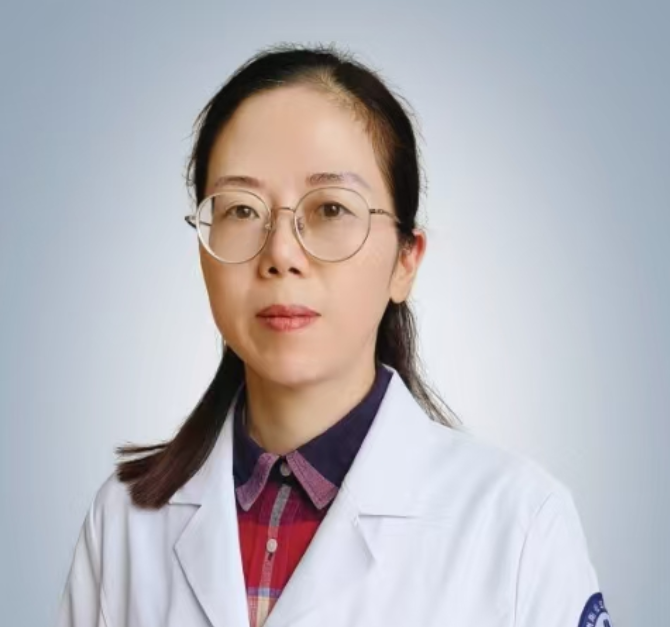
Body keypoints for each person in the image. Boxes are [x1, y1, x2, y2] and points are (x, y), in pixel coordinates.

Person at [57, 44, 613, 627]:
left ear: (406, 260)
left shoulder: (519, 525)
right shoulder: (125, 520)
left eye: (330, 209)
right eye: (242, 210)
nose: (281, 254)